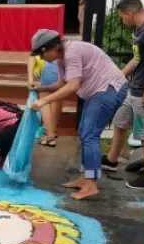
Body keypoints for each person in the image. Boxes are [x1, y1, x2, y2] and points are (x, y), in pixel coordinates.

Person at [30, 30, 128, 200]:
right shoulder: (61, 58)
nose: (41, 58)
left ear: (53, 47)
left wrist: (44, 101)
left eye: (42, 53)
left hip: (109, 89)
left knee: (90, 134)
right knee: (84, 133)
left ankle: (91, 184)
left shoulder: (72, 52)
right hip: (97, 91)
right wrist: (41, 89)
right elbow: (62, 83)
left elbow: (72, 86)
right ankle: (85, 178)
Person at [103, 0, 144, 190]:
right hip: (135, 90)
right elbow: (138, 58)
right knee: (120, 121)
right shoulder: (141, 30)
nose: (123, 21)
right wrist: (120, 75)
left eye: (122, 17)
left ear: (129, 13)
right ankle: (112, 159)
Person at [27, 55, 63, 147]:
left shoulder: (41, 44)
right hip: (61, 63)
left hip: (51, 65)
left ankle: (50, 136)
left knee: (44, 98)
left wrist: (30, 79)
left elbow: (32, 55)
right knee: (57, 97)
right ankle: (52, 131)